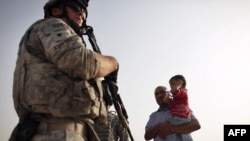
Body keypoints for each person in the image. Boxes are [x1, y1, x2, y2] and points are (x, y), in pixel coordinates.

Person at [10, 0, 118, 140]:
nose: (81, 13)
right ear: (56, 10)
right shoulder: (51, 25)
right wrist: (113, 63)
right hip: (57, 132)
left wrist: (105, 98)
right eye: (76, 6)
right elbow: (80, 62)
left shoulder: (58, 53)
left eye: (84, 11)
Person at [163, 74, 193, 141]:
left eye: (173, 84)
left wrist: (177, 86)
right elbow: (165, 101)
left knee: (166, 128)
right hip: (180, 118)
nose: (171, 86)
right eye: (170, 85)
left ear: (180, 83)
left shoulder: (183, 92)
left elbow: (174, 90)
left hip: (180, 117)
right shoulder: (176, 96)